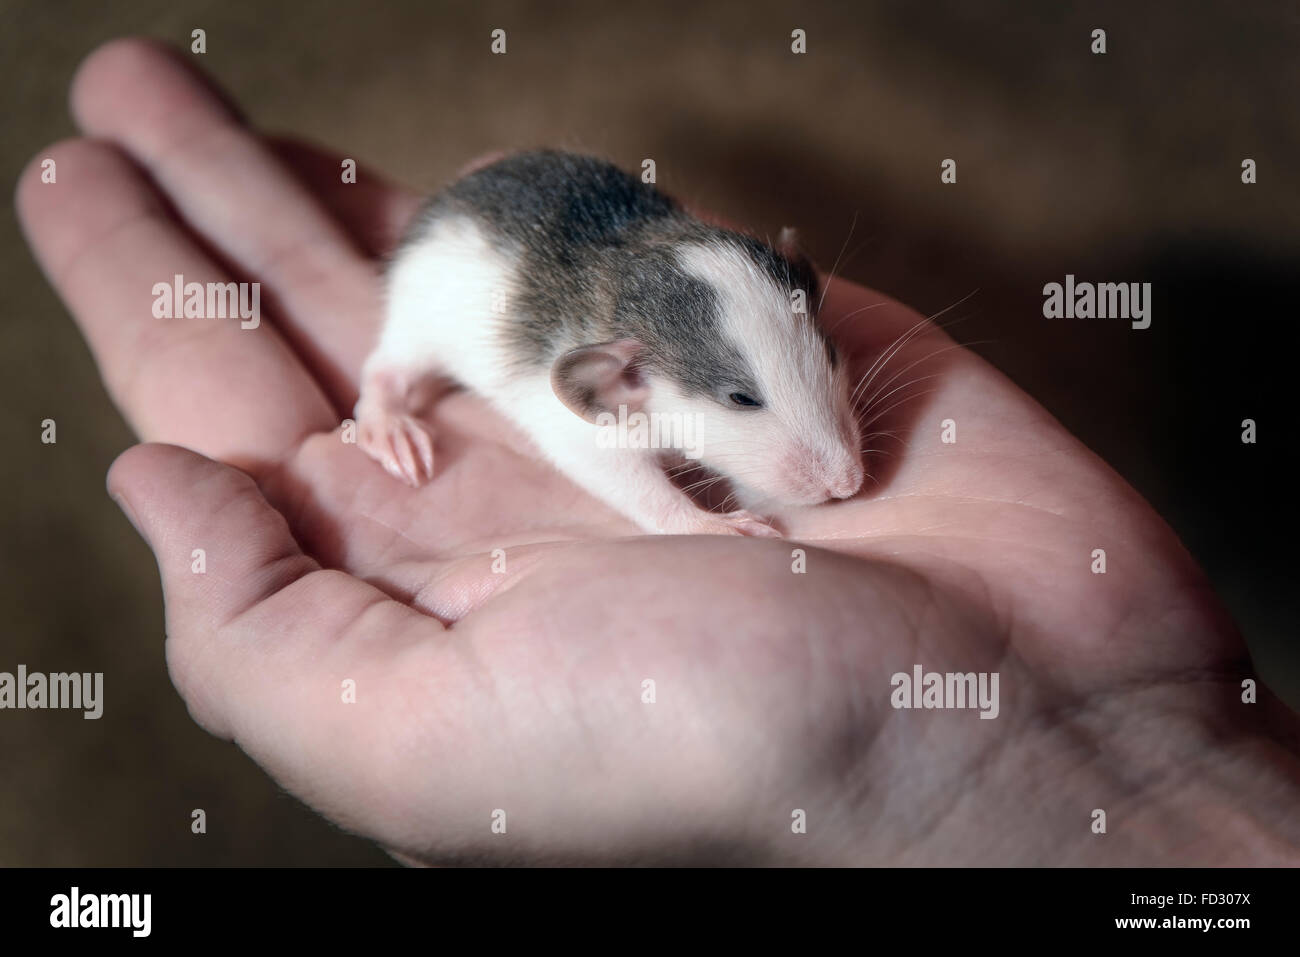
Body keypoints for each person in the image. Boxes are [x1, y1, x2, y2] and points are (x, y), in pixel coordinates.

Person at [16, 37, 1298, 865]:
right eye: (746, 408)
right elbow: (570, 433)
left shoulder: (737, 298)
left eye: (830, 377)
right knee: (405, 346)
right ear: (618, 383)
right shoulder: (583, 377)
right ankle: (385, 383)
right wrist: (682, 520)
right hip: (480, 258)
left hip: (632, 246)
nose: (838, 468)